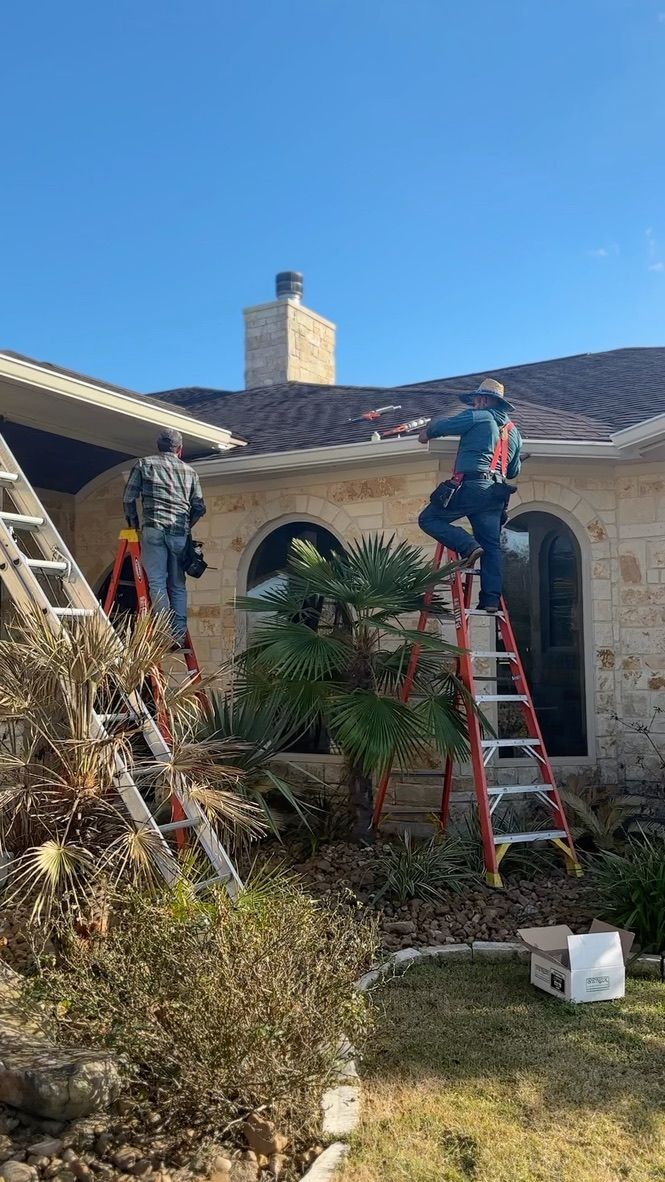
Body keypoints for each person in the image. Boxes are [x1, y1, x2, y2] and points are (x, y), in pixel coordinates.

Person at [417, 378, 522, 612]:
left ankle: (466, 545)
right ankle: (490, 600)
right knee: (492, 546)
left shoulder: (480, 416)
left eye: (475, 400)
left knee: (428, 519)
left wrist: (426, 433)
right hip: (495, 493)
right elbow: (513, 470)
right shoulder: (514, 433)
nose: (473, 404)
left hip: (472, 487)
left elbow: (444, 426)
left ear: (484, 400)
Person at [123, 427, 206, 644]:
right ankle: (178, 636)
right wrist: (186, 525)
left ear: (158, 446)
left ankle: (164, 634)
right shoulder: (190, 472)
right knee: (178, 585)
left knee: (157, 582)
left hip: (154, 529)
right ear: (180, 449)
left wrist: (134, 526)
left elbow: (128, 499)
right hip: (179, 534)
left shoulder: (144, 464)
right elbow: (199, 507)